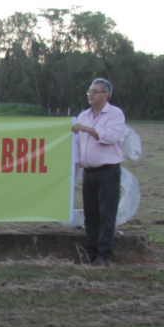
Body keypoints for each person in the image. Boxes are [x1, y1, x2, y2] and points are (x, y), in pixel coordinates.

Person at [72, 78, 125, 267]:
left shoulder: (115, 115)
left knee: (106, 215)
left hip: (107, 172)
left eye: (95, 91)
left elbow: (109, 137)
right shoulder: (83, 115)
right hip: (89, 173)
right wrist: (75, 166)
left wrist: (86, 129)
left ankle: (104, 255)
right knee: (91, 215)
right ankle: (91, 253)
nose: (91, 94)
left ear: (105, 95)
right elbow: (77, 145)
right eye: (89, 91)